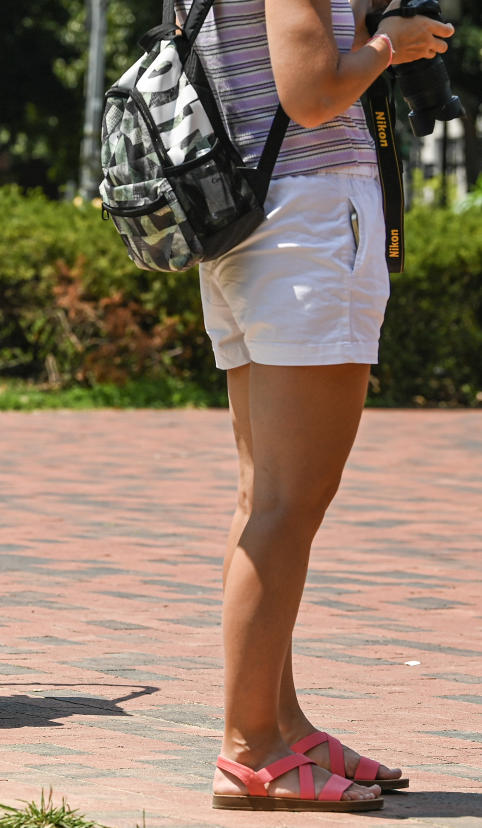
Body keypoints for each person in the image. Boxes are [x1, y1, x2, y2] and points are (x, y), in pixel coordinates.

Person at [184, 0, 455, 812]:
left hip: (248, 220)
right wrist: (388, 45)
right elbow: (310, 94)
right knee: (289, 505)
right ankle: (249, 749)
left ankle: (279, 724)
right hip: (307, 222)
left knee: (262, 498)